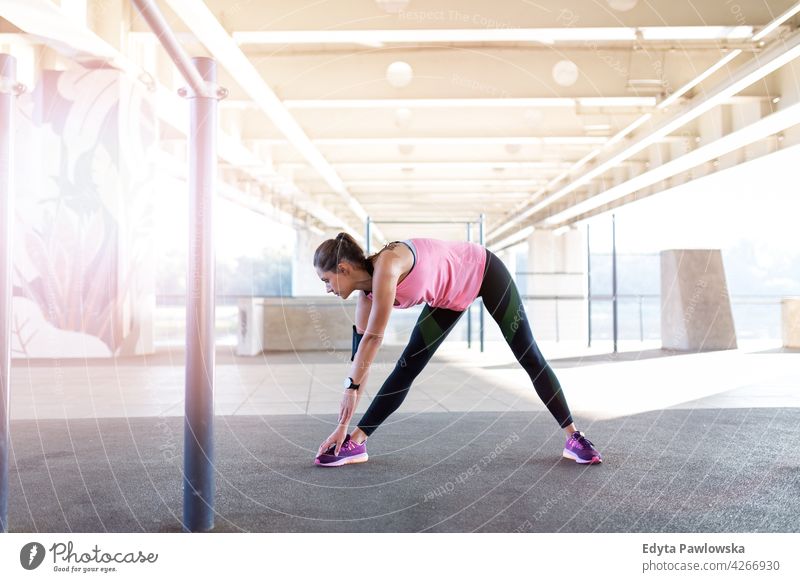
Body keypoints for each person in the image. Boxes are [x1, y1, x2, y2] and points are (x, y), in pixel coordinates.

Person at [312, 233, 602, 467]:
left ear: (344, 268)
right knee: (408, 366)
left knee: (529, 355)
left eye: (326, 280)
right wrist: (342, 425)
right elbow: (359, 360)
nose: (327, 288)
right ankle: (355, 442)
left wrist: (350, 392)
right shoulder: (366, 298)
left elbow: (373, 340)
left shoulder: (386, 265)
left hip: (483, 270)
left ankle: (574, 437)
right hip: (447, 300)